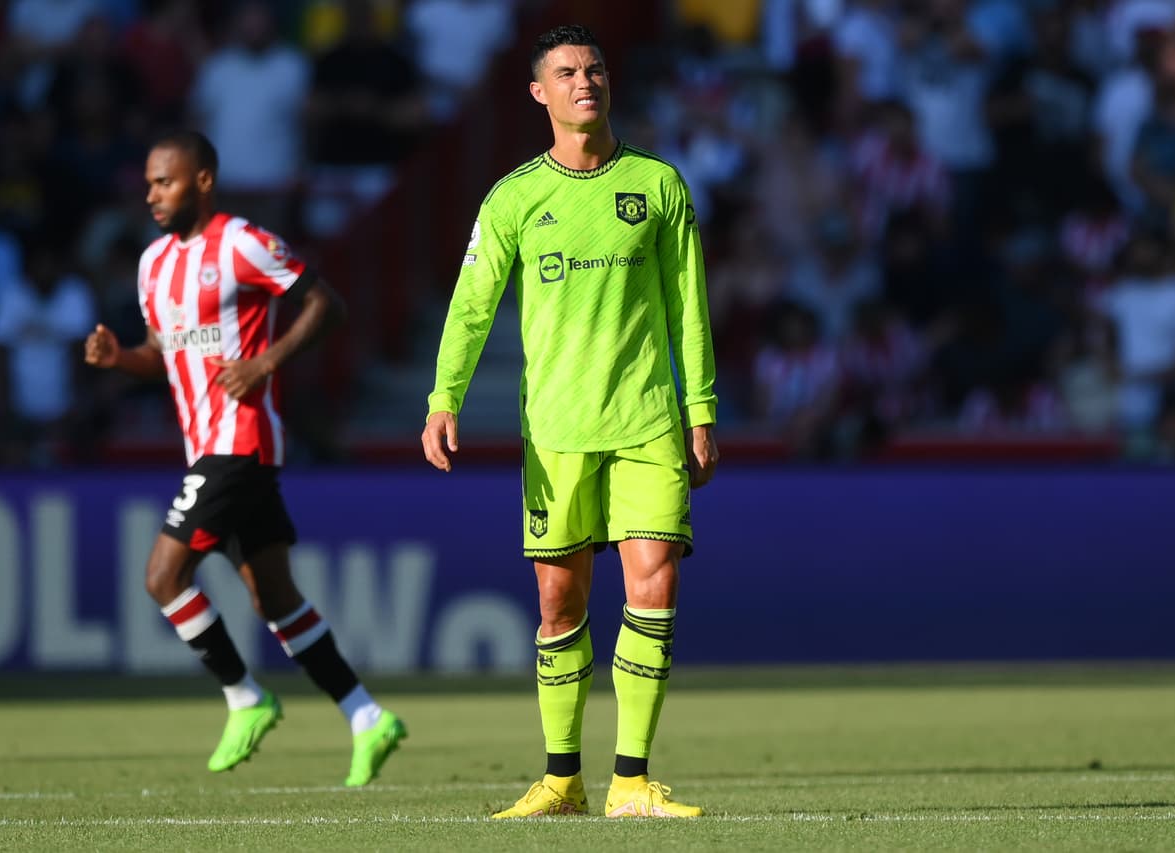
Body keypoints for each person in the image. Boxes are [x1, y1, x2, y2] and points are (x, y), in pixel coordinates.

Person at [421, 25, 719, 819]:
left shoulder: (658, 185)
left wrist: (700, 410)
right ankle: (561, 780)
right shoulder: (516, 197)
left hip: (648, 419)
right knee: (559, 603)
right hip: (555, 428)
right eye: (566, 72)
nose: (585, 81)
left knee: (654, 584)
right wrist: (443, 398)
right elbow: (472, 304)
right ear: (538, 93)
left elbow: (690, 305)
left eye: (594, 68)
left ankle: (631, 779)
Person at [84, 130, 405, 784]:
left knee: (163, 576)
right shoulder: (152, 265)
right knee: (275, 596)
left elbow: (327, 304)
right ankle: (367, 713)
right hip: (209, 447)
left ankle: (244, 695)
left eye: (164, 182)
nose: (151, 194)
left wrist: (265, 361)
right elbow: (162, 352)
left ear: (202, 180)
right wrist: (121, 358)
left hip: (241, 441)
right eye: (147, 183)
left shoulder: (242, 243)